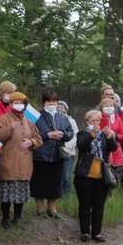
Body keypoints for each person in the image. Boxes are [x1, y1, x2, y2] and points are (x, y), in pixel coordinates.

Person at [0, 92, 43, 228]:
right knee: (7, 193)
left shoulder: (29, 120)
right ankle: (5, 218)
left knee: (21, 193)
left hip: (25, 163)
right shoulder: (3, 118)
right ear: (10, 104)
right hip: (9, 161)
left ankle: (18, 217)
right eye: (16, 103)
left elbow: (39, 139)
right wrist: (9, 128)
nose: (19, 105)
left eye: (21, 103)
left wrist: (31, 142)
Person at [74, 110, 118, 242]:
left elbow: (113, 148)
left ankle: (97, 232)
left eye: (98, 120)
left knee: (99, 205)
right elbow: (81, 145)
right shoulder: (82, 134)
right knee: (85, 205)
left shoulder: (103, 136)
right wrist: (92, 133)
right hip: (85, 175)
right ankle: (85, 232)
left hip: (101, 176)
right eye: (93, 121)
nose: (96, 123)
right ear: (87, 122)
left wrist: (109, 136)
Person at [31, 91, 74, 219]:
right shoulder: (36, 116)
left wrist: (63, 134)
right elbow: (31, 133)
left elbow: (70, 132)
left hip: (57, 155)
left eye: (54, 102)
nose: (52, 104)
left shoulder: (62, 116)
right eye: (49, 101)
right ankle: (40, 208)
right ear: (44, 102)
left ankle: (52, 209)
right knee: (39, 182)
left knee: (55, 183)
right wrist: (47, 135)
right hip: (40, 154)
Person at [97, 97, 123, 193]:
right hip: (103, 151)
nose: (109, 107)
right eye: (106, 106)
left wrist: (115, 135)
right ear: (101, 107)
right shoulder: (98, 118)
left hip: (116, 151)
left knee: (115, 178)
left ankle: (112, 197)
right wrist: (103, 133)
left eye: (111, 106)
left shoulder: (118, 119)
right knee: (103, 177)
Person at [56, 101, 80, 199]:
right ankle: (60, 196)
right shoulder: (54, 120)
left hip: (68, 153)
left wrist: (66, 147)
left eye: (62, 107)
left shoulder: (71, 121)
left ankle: (68, 196)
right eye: (58, 107)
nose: (60, 108)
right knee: (59, 177)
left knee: (67, 177)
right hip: (56, 152)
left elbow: (76, 136)